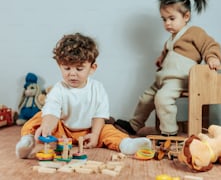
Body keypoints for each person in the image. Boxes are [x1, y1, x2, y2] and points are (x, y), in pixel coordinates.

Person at [15, 33, 151, 159]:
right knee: (39, 117)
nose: (72, 73)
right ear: (59, 66)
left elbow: (99, 115)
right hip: (63, 130)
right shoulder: (58, 89)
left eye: (79, 69)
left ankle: (126, 144)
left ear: (92, 68)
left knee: (109, 129)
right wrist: (47, 127)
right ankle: (28, 141)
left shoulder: (97, 88)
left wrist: (96, 135)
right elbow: (51, 111)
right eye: (67, 68)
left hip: (89, 130)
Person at [115, 0, 221, 136]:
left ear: (186, 16)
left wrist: (212, 57)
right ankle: (134, 124)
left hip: (181, 79)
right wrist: (161, 59)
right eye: (164, 19)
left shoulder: (195, 32)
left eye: (171, 18)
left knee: (163, 98)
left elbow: (210, 45)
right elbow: (168, 52)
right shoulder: (171, 39)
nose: (167, 23)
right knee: (145, 98)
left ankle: (169, 131)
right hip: (163, 79)